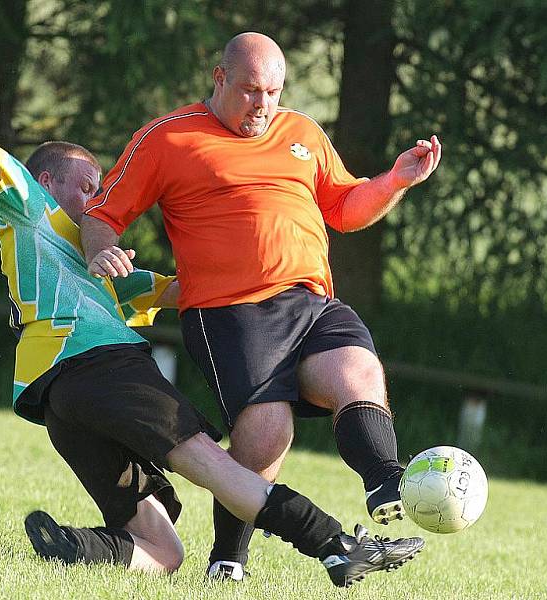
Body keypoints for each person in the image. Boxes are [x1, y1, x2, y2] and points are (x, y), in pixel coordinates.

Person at [0, 21, 426, 587]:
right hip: (103, 368)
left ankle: (74, 548)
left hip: (55, 398)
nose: (94, 196)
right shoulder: (29, 210)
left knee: (162, 548)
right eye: (85, 185)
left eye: (273, 93)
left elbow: (176, 291)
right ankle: (334, 543)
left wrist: (386, 187)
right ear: (44, 180)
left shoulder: (117, 278)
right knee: (215, 463)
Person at [80, 32, 442, 580]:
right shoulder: (168, 138)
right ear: (219, 79)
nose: (263, 105)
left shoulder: (302, 132)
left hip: (311, 301)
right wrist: (103, 250)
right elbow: (101, 214)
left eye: (273, 92)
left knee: (358, 371)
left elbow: (344, 207)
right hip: (228, 312)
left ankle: (385, 482)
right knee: (268, 432)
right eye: (250, 91)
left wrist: (394, 181)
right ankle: (228, 561)